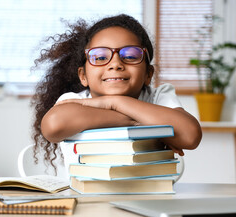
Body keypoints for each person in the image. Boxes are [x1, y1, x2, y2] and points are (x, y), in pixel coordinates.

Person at [31, 14, 202, 174]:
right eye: (100, 57)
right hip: (87, 198)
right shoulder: (75, 101)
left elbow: (190, 136)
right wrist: (143, 123)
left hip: (149, 196)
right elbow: (52, 125)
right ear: (83, 76)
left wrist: (115, 103)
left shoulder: (158, 96)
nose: (115, 64)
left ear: (148, 74)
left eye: (130, 55)